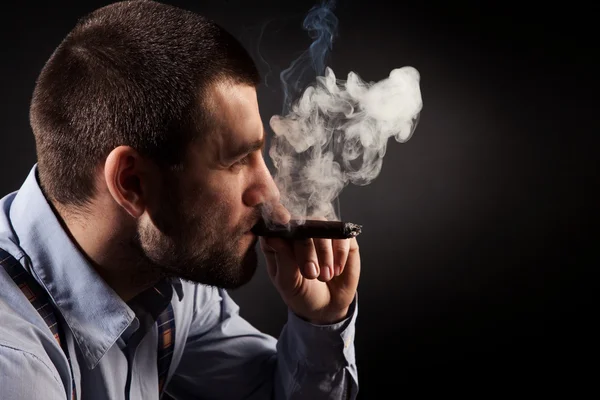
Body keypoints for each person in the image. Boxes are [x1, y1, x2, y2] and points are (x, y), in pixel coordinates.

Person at [0, 0, 360, 399]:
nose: (270, 195)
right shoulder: (15, 367)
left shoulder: (167, 271)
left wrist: (320, 319)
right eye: (237, 159)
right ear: (132, 183)